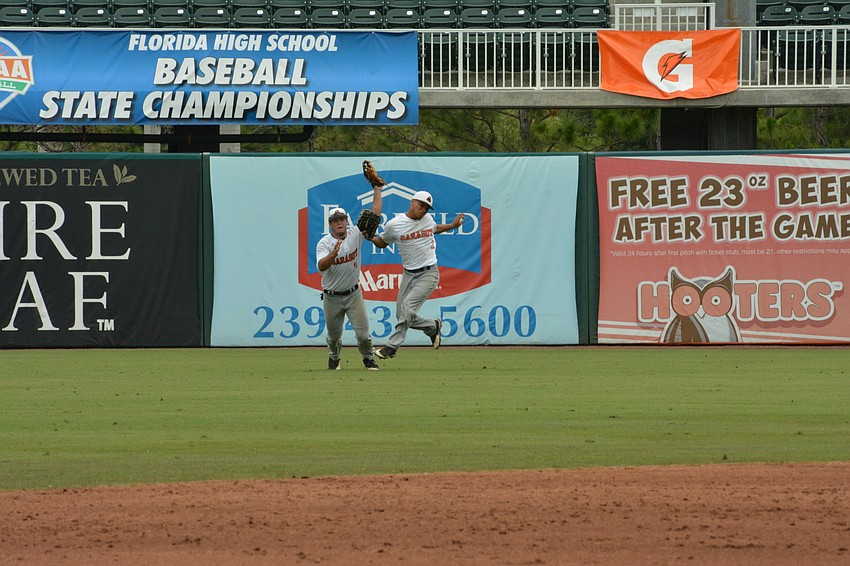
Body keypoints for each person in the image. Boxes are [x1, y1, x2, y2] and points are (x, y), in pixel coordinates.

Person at [370, 190, 464, 360]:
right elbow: (382, 243)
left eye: (427, 208)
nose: (423, 210)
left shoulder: (427, 219)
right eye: (421, 205)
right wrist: (369, 237)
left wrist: (452, 226)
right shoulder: (394, 224)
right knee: (402, 315)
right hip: (408, 274)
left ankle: (391, 346)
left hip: (429, 273)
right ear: (412, 202)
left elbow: (434, 229)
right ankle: (432, 327)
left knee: (407, 309)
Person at [316, 183, 383, 371]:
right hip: (332, 297)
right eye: (335, 220)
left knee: (363, 335)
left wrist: (377, 190)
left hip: (354, 294)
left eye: (342, 219)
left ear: (347, 220)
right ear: (329, 224)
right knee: (334, 336)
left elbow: (375, 215)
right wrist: (332, 255)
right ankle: (334, 356)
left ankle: (368, 359)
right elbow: (321, 265)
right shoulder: (324, 243)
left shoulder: (355, 234)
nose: (339, 222)